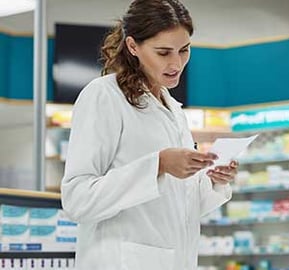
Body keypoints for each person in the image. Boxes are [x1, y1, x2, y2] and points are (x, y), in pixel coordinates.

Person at [60, 0, 238, 269]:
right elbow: (77, 200)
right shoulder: (104, 96)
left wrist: (213, 180)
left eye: (184, 50)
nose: (176, 62)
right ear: (133, 47)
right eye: (163, 52)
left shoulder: (172, 108)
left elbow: (178, 206)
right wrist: (159, 164)